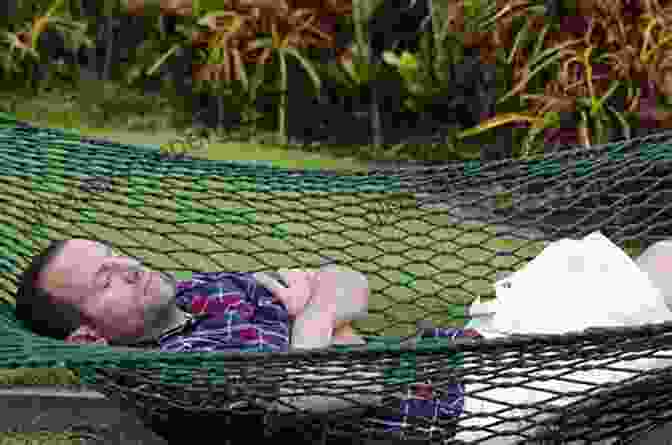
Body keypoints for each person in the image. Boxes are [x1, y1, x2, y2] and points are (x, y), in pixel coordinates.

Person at [14, 238, 368, 350]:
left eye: (113, 254)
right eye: (105, 282)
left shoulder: (199, 289)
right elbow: (319, 395)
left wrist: (312, 321)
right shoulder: (180, 365)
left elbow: (348, 279)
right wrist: (322, 317)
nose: (131, 267)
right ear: (89, 337)